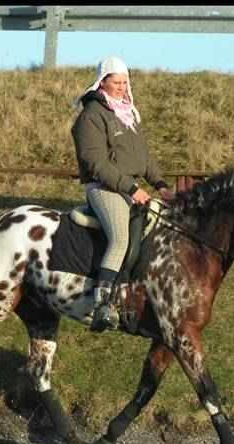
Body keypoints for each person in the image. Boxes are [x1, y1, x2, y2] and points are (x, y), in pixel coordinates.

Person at [72, 56, 173, 332]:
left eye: (124, 81)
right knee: (120, 237)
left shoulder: (128, 114)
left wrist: (161, 184)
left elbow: (144, 158)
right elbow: (97, 164)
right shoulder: (90, 116)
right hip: (105, 189)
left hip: (130, 188)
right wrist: (132, 189)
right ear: (102, 82)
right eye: (116, 82)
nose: (121, 87)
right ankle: (102, 304)